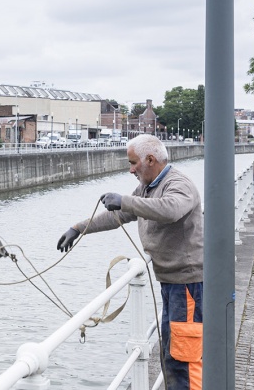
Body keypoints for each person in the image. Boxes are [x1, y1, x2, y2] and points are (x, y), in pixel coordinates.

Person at [56, 134, 203, 390]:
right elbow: (122, 214)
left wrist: (125, 200)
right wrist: (79, 228)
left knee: (183, 357)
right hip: (172, 282)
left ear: (150, 159)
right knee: (172, 352)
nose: (131, 169)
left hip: (187, 284)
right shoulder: (148, 186)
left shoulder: (178, 184)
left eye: (133, 162)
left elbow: (169, 210)